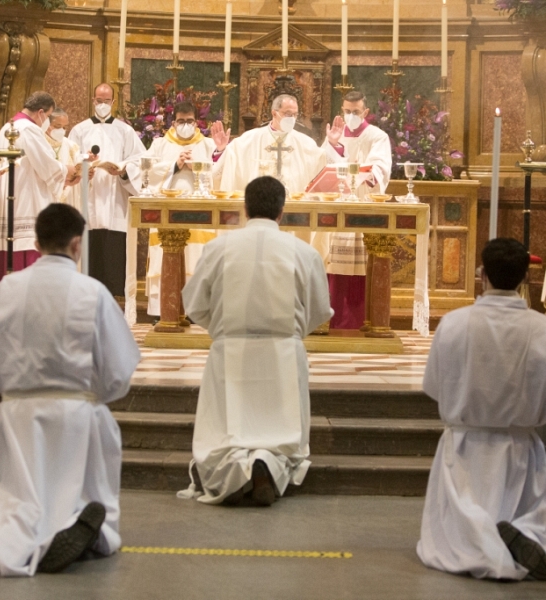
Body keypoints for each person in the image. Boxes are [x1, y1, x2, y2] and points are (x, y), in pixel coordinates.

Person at [0, 203, 141, 576]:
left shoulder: (7, 290)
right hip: (77, 420)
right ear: (77, 244)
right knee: (86, 477)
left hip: (16, 416)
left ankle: (21, 539)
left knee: (12, 501)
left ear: (35, 242)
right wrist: (92, 399)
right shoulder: (93, 291)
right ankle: (77, 529)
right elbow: (118, 371)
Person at [181, 176, 333, 506]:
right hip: (283, 353)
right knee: (281, 430)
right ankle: (268, 465)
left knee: (227, 431)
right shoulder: (304, 252)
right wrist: (290, 334)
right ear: (282, 211)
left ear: (245, 208)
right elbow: (320, 309)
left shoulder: (218, 248)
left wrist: (223, 331)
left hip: (229, 350)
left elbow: (193, 305)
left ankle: (234, 468)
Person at [417, 237, 546, 580]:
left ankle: (483, 543)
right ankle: (528, 535)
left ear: (482, 275)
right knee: (535, 510)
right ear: (523, 279)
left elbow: (433, 385)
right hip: (520, 448)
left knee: (460, 522)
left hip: (463, 447)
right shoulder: (541, 329)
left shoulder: (455, 323)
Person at [139, 101, 228, 319]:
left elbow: (222, 174)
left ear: (197, 122)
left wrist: (217, 153)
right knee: (167, 256)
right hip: (167, 213)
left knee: (196, 258)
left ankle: (195, 310)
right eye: (181, 121)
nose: (185, 125)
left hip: (200, 215)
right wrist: (175, 165)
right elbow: (146, 173)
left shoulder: (208, 144)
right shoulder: (160, 144)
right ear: (173, 121)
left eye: (190, 121)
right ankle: (165, 309)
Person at [314, 91, 392, 330]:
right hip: (335, 206)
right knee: (330, 264)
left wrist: (359, 176)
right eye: (347, 111)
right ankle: (327, 321)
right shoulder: (334, 136)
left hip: (361, 206)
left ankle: (354, 322)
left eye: (356, 112)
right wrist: (333, 145)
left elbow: (380, 167)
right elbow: (319, 166)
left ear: (365, 112)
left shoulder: (377, 136)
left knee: (355, 269)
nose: (351, 116)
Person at [0, 91, 79, 282]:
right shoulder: (29, 129)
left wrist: (63, 177)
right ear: (40, 112)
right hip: (26, 201)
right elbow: (47, 166)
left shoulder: (8, 126)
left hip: (11, 201)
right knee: (27, 269)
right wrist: (69, 170)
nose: (47, 121)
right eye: (48, 116)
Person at [69, 83, 144, 298]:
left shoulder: (125, 131)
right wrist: (84, 168)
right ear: (93, 101)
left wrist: (122, 171)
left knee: (113, 263)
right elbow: (70, 159)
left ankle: (114, 307)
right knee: (90, 264)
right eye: (98, 100)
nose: (102, 104)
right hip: (88, 202)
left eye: (106, 101)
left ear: (113, 102)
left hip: (115, 205)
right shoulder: (79, 130)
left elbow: (139, 160)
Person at [215, 94, 343, 195]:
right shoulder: (250, 139)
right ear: (274, 113)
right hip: (260, 209)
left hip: (295, 212)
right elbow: (230, 159)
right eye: (287, 114)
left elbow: (323, 163)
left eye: (295, 114)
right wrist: (221, 150)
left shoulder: (305, 142)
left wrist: (332, 143)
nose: (292, 118)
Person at [45, 107, 83, 211]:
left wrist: (87, 167)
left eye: (65, 127)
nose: (62, 130)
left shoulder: (71, 146)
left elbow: (79, 164)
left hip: (68, 199)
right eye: (58, 126)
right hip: (46, 197)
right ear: (46, 124)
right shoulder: (40, 144)